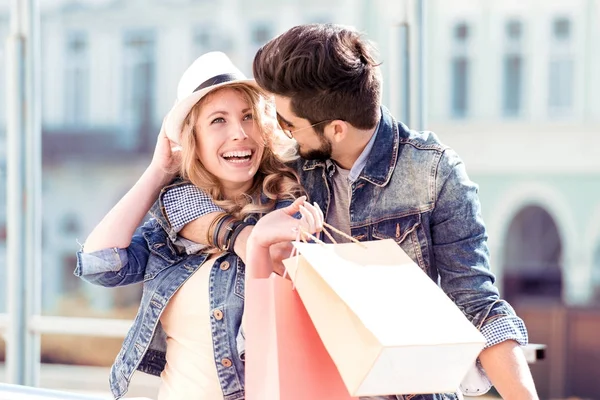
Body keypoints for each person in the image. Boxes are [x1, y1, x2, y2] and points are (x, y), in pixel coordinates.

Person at [154, 24, 540, 400]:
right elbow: (180, 199)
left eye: (288, 123)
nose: (280, 133)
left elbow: (479, 307)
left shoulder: (434, 173)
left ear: (336, 129)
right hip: (312, 386)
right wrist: (238, 236)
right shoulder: (291, 168)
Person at [74, 51, 323, 400]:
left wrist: (255, 240)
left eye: (248, 116)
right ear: (194, 139)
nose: (239, 133)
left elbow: (282, 295)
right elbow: (100, 265)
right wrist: (157, 172)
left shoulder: (288, 207)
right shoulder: (172, 229)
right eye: (218, 121)